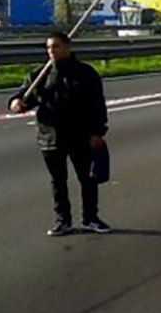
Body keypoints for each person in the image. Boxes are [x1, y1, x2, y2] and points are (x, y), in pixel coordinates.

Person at [8, 31, 110, 236]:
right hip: (50, 137)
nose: (51, 51)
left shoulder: (85, 74)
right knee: (58, 181)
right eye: (48, 47)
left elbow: (97, 105)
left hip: (80, 136)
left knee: (87, 179)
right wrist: (16, 103)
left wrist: (98, 132)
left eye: (56, 46)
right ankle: (62, 220)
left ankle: (90, 218)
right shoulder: (38, 76)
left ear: (68, 47)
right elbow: (23, 98)